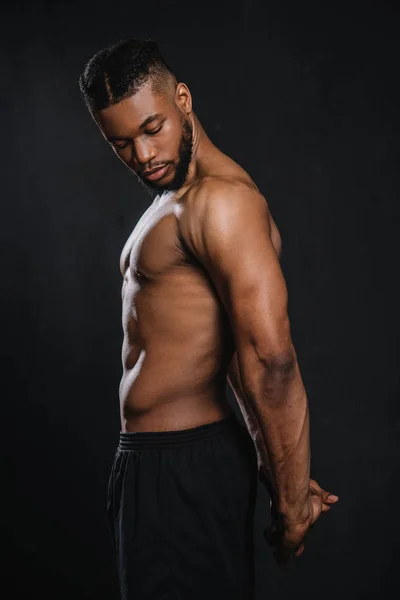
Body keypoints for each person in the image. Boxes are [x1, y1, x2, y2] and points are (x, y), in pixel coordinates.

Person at [78, 38, 339, 600]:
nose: (143, 156)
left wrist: (292, 504)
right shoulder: (173, 196)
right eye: (120, 143)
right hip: (155, 468)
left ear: (183, 98)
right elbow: (226, 362)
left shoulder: (221, 204)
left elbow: (270, 360)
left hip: (183, 469)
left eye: (153, 128)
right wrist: (274, 467)